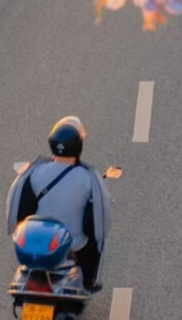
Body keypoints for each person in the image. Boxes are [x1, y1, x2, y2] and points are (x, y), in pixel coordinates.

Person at [6, 116, 113, 291]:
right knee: (94, 245)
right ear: (79, 145)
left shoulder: (36, 172)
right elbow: (99, 220)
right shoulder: (87, 178)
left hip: (39, 241)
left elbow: (22, 210)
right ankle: (87, 284)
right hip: (74, 245)